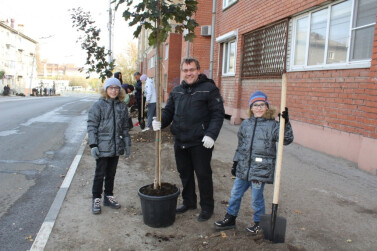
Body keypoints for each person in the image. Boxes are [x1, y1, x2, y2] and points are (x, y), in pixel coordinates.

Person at [152, 57, 225, 222]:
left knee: (203, 174)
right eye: (185, 70)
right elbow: (168, 111)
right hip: (180, 139)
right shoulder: (177, 91)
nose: (189, 73)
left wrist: (211, 135)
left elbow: (218, 114)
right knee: (185, 173)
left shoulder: (209, 89)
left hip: (201, 141)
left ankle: (207, 207)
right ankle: (189, 201)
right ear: (182, 72)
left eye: (192, 69)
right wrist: (159, 121)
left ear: (198, 70)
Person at [213, 91, 294, 234]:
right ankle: (230, 218)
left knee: (256, 198)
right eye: (255, 105)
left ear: (267, 107)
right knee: (235, 193)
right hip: (244, 166)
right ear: (251, 108)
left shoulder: (273, 125)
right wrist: (236, 162)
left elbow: (286, 140)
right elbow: (241, 145)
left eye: (262, 105)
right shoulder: (246, 124)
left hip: (260, 168)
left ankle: (259, 223)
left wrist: (285, 124)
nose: (259, 108)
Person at [87, 77, 131, 215]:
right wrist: (93, 144)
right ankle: (96, 199)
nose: (114, 90)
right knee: (100, 174)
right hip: (102, 146)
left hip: (116, 146)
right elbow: (92, 125)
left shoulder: (122, 106)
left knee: (111, 173)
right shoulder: (98, 106)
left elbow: (125, 127)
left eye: (116, 88)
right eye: (111, 88)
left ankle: (108, 197)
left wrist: (127, 143)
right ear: (106, 89)